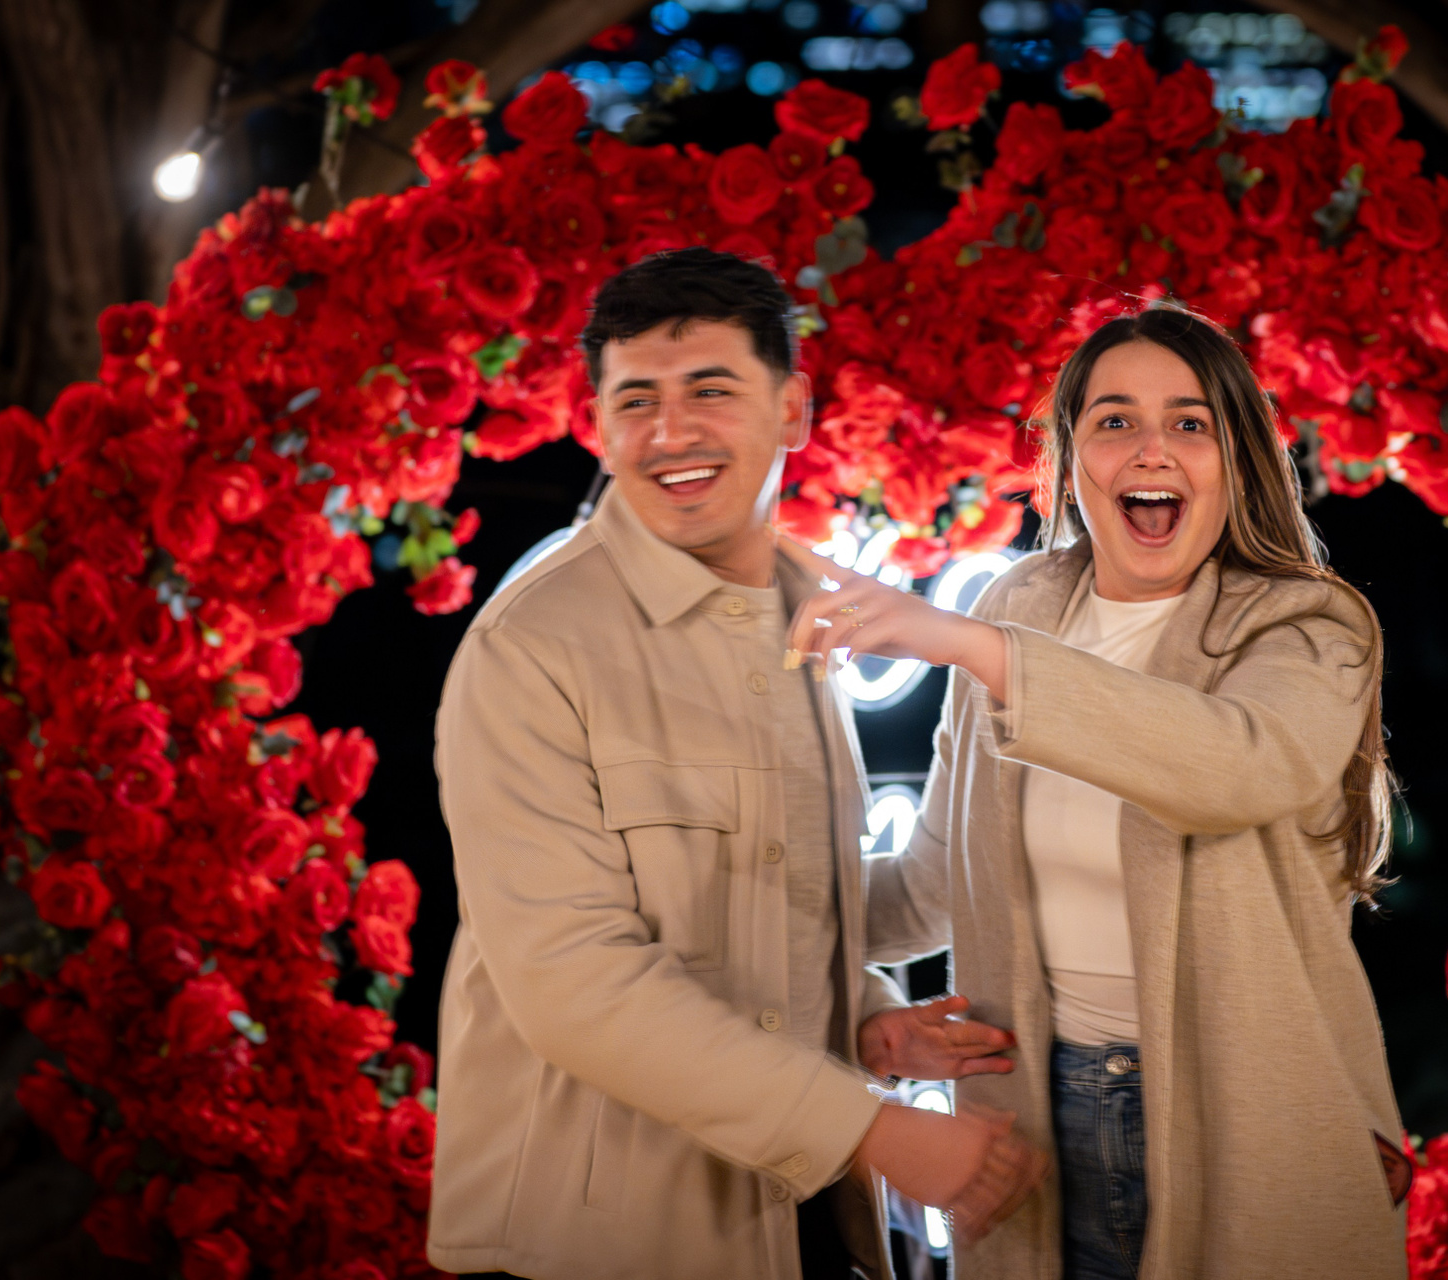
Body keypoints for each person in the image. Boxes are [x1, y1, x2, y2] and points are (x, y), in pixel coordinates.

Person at [426, 248, 1046, 1280]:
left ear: (792, 408)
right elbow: (574, 979)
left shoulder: (805, 613)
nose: (671, 433)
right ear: (599, 423)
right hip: (600, 1238)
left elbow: (778, 900)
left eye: (710, 390)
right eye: (637, 400)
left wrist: (862, 1019)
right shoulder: (532, 643)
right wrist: (872, 1128)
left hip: (799, 1220)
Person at [782, 305, 1414, 1279]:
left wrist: (974, 647)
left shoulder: (1310, 627)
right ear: (1071, 460)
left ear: (1237, 458)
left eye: (1190, 422)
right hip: (1034, 1118)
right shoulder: (1021, 604)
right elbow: (937, 879)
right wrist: (747, 901)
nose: (1151, 448)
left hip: (1248, 1119)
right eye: (1114, 420)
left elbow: (1233, 767)